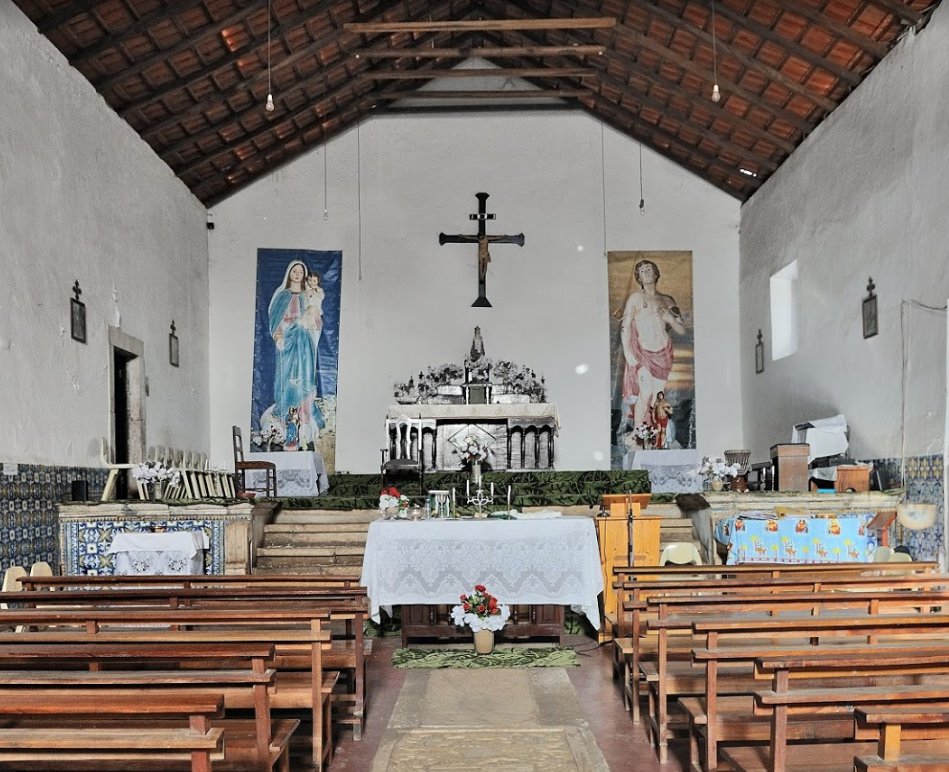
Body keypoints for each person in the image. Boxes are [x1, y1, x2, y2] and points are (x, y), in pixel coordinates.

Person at [620, 259, 686, 430]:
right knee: (646, 392)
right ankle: (638, 434)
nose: (647, 272)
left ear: (656, 273)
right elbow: (625, 326)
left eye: (649, 269)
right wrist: (628, 353)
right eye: (642, 271)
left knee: (658, 396)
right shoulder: (635, 298)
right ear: (638, 278)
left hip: (663, 353)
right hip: (643, 353)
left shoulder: (667, 300)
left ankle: (656, 436)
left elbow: (681, 330)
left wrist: (670, 319)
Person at [267, 261, 324, 450]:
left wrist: (312, 322)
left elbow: (316, 320)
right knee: (285, 382)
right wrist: (279, 335)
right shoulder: (281, 296)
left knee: (304, 379)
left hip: (303, 346)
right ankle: (286, 429)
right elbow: (274, 322)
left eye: (301, 271)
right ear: (289, 273)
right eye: (294, 270)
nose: (297, 274)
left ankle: (303, 424)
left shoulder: (308, 296)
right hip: (286, 346)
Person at [302, 270, 325, 352]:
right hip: (307, 317)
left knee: (314, 338)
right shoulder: (305, 292)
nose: (312, 283)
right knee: (306, 337)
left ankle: (312, 352)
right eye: (310, 280)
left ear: (318, 281)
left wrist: (314, 291)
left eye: (314, 281)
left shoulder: (319, 291)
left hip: (316, 317)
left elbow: (320, 297)